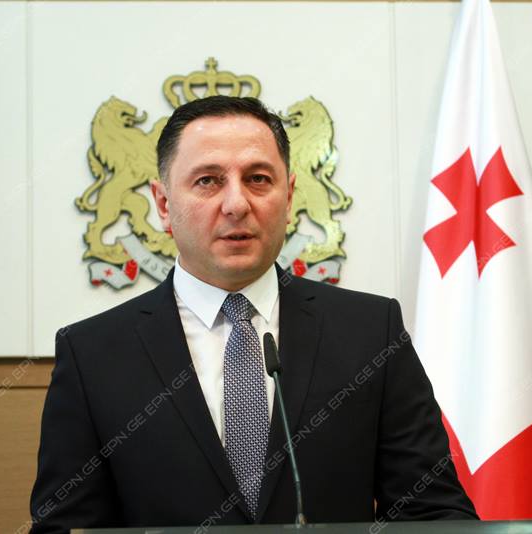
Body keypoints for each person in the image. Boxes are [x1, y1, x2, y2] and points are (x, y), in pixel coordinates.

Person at [29, 96, 477, 533]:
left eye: (258, 179)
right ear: (164, 205)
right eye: (208, 181)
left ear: (290, 196)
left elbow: (432, 512)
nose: (237, 204)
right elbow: (66, 527)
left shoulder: (370, 333)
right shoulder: (93, 355)